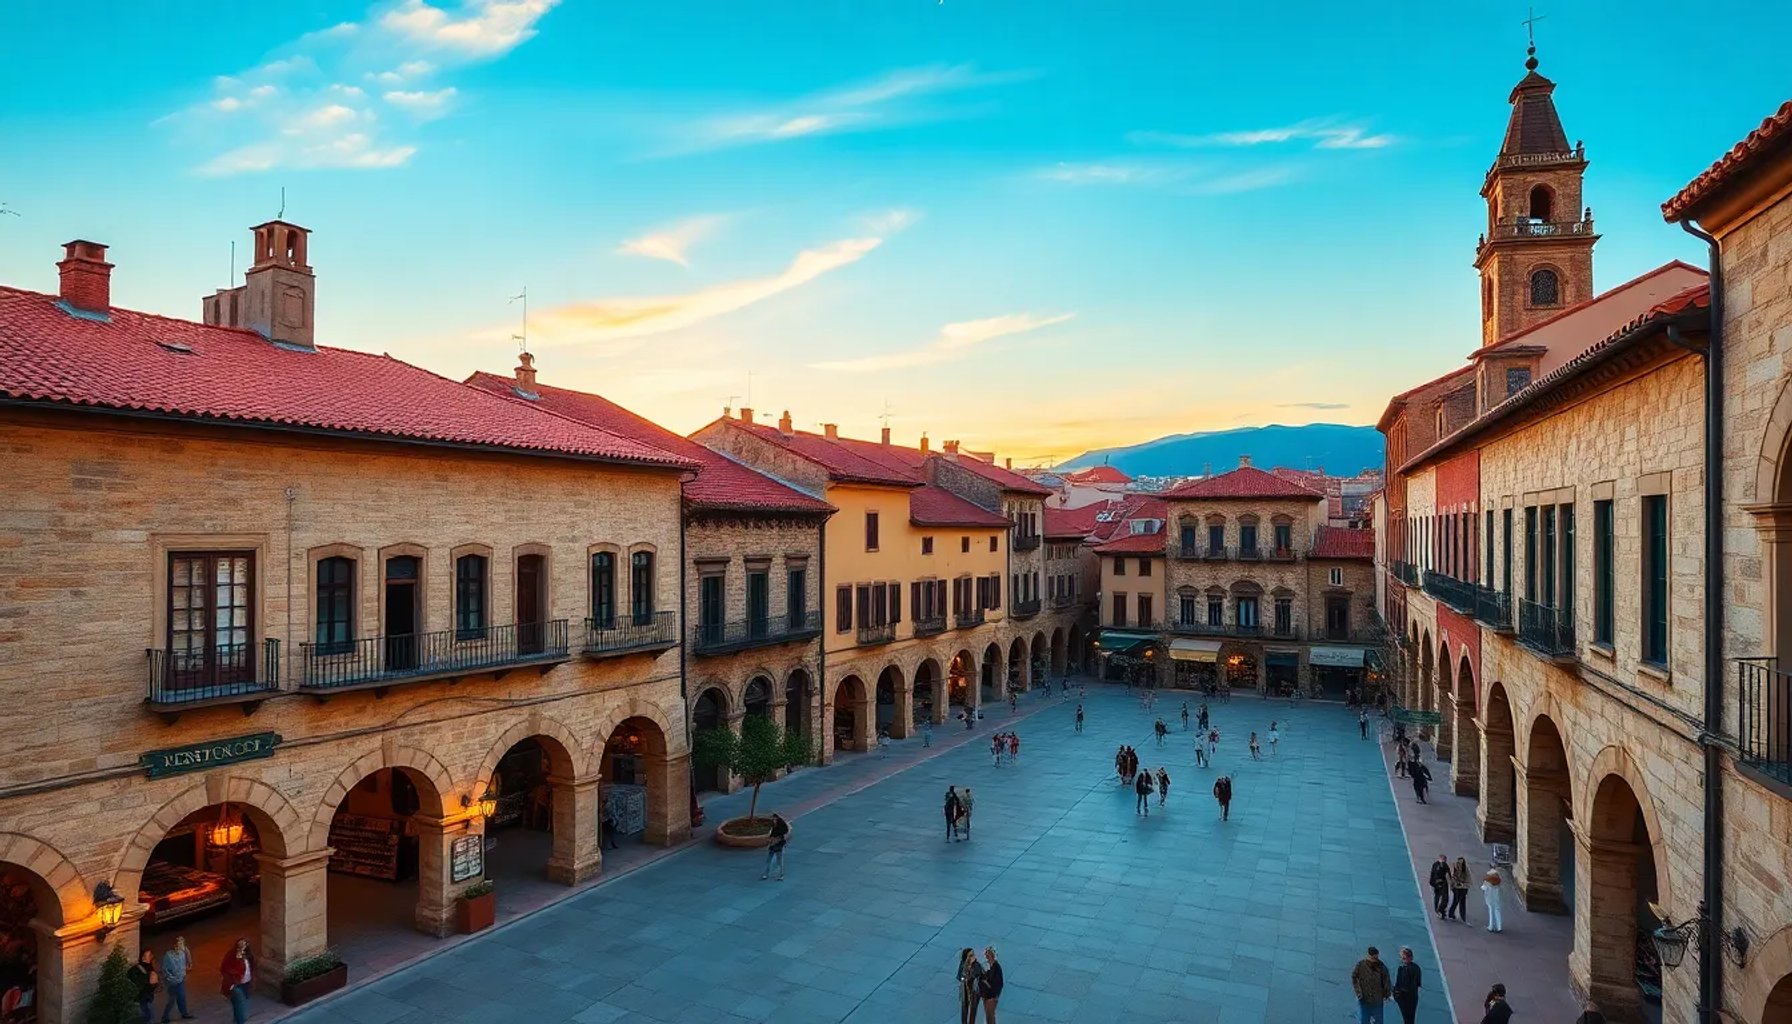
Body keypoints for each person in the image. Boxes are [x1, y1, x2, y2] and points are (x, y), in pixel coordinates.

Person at [1350, 946, 1392, 1024]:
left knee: (1378, 1021)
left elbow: (1386, 981)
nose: (1374, 960)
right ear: (1368, 956)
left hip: (1377, 999)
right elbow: (1354, 977)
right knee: (1364, 1020)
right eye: (1372, 958)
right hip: (1364, 998)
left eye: (1376, 958)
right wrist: (1358, 992)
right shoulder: (1361, 965)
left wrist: (1387, 993)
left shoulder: (1382, 967)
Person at [218, 939, 253, 1024]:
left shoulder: (248, 955)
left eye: (244, 945)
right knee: (239, 1004)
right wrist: (238, 960)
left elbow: (251, 966)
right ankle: (240, 1021)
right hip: (236, 984)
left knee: (240, 1003)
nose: (242, 947)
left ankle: (237, 1019)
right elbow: (224, 969)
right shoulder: (232, 955)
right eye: (240, 945)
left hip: (246, 983)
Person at [159, 936, 194, 1022]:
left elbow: (185, 961)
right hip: (172, 982)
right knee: (172, 999)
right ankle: (165, 1017)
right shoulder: (169, 956)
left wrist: (184, 973)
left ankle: (184, 1013)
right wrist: (171, 979)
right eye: (180, 943)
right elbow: (164, 969)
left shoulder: (182, 953)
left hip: (180, 979)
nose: (182, 946)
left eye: (183, 943)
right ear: (175, 945)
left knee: (181, 997)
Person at [1392, 947, 1421, 1024]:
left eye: (1404, 958)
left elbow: (1402, 983)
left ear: (1410, 958)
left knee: (1408, 1018)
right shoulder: (1414, 968)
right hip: (1409, 996)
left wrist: (1397, 992)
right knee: (1409, 1018)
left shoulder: (1406, 969)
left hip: (1407, 996)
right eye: (1402, 958)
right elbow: (1417, 983)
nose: (1402, 960)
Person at [129, 947, 159, 1024]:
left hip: (148, 994)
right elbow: (130, 974)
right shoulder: (139, 967)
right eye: (148, 955)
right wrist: (146, 980)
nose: (150, 957)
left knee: (149, 1015)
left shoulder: (150, 965)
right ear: (143, 957)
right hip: (144, 995)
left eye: (150, 955)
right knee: (149, 1016)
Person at [956, 948, 984, 1024]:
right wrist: (963, 979)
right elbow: (959, 976)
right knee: (964, 1007)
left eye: (973, 954)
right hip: (965, 988)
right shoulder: (962, 964)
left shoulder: (977, 965)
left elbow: (981, 975)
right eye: (971, 955)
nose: (973, 956)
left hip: (974, 989)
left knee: (973, 1008)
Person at [979, 946, 1004, 1023]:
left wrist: (994, 996)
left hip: (991, 997)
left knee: (990, 1016)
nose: (986, 957)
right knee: (989, 1016)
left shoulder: (996, 968)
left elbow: (998, 984)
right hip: (987, 996)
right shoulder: (991, 968)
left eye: (988, 954)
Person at [762, 812, 790, 881]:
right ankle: (766, 874)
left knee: (779, 861)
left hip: (779, 846)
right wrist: (770, 840)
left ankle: (780, 875)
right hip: (773, 846)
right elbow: (771, 835)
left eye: (774, 819)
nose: (773, 820)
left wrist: (774, 840)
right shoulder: (774, 827)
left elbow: (783, 837)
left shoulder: (781, 828)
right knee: (769, 860)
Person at [1481, 867, 1504, 932]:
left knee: (1491, 910)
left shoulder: (1487, 879)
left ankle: (1491, 926)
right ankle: (1499, 926)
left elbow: (1483, 888)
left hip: (1489, 897)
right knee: (1497, 909)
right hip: (1497, 897)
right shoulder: (1498, 879)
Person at [1449, 856, 1472, 923]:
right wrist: (1454, 884)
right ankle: (1451, 913)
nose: (1459, 864)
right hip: (1456, 887)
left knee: (1462, 901)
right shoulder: (1454, 867)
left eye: (1461, 862)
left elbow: (1468, 879)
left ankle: (1462, 915)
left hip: (1463, 888)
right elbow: (1451, 877)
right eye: (1459, 862)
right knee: (1456, 900)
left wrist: (1463, 885)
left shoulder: (1466, 870)